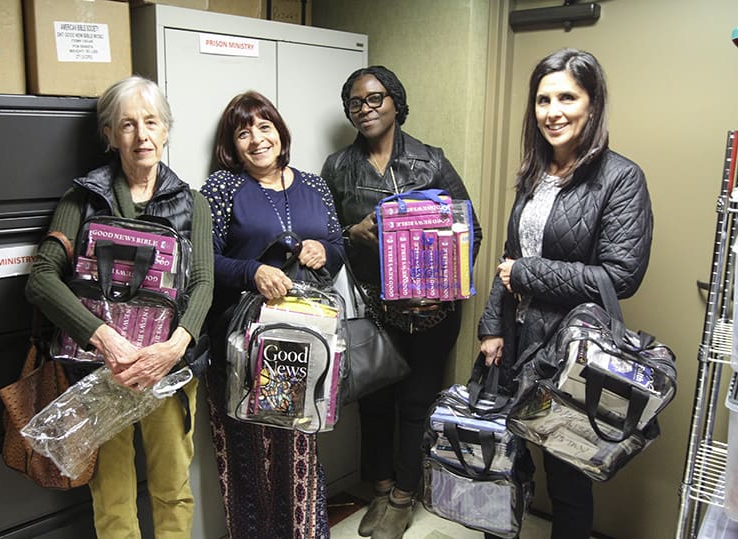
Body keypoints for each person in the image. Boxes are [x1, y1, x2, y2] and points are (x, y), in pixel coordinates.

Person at [26, 75, 214, 538]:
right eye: (127, 125)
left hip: (168, 371)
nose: (142, 135)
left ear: (167, 130)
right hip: (98, 373)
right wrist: (105, 338)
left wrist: (173, 348)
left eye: (151, 122)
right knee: (112, 496)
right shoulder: (82, 199)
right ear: (109, 135)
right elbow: (42, 280)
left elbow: (204, 282)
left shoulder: (193, 203)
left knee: (172, 488)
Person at [477, 48, 653, 539]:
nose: (552, 111)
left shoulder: (620, 178)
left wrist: (528, 273)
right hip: (514, 339)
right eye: (542, 99)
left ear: (592, 105)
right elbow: (509, 257)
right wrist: (491, 325)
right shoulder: (534, 173)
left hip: (572, 352)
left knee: (568, 478)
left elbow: (619, 275)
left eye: (567, 98)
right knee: (504, 461)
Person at [321, 65, 482, 539]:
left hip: (432, 311)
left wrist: (439, 290)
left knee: (416, 405)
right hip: (374, 312)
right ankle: (381, 489)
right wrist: (354, 234)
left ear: (395, 102)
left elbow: (470, 230)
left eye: (374, 99)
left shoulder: (432, 161)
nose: (365, 109)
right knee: (373, 405)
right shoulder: (337, 168)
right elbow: (327, 241)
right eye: (355, 102)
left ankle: (403, 497)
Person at [200, 91, 345, 538]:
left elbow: (338, 250)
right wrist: (254, 271)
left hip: (304, 342)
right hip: (244, 346)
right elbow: (203, 262)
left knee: (298, 454)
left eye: (264, 127)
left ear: (280, 133)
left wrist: (327, 251)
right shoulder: (223, 188)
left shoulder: (315, 186)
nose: (257, 139)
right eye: (244, 132)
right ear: (233, 145)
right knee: (247, 458)